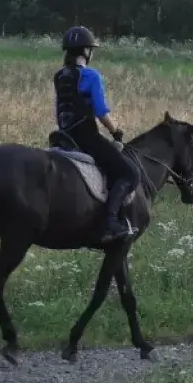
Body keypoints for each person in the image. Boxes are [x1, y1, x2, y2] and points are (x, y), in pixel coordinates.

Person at [53, 25, 140, 243]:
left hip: (64, 136)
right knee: (129, 173)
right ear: (86, 51)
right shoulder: (91, 75)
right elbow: (101, 112)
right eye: (90, 50)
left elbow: (60, 108)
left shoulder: (59, 75)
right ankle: (110, 223)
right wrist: (116, 131)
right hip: (86, 138)